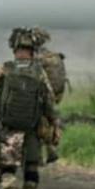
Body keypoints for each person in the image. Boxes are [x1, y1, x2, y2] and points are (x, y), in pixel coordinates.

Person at [0, 28, 56, 189]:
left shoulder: (4, 69)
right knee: (31, 170)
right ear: (32, 51)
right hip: (32, 129)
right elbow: (49, 101)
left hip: (9, 128)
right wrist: (53, 123)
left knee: (7, 168)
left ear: (15, 50)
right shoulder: (39, 72)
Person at [31, 27, 67, 164]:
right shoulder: (55, 56)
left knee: (36, 123)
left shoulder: (36, 58)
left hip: (41, 95)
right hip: (55, 95)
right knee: (48, 120)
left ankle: (40, 155)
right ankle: (50, 148)